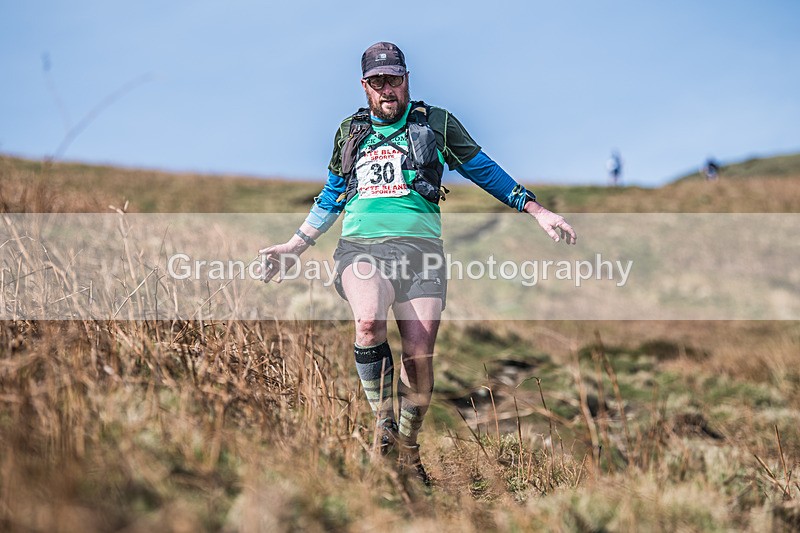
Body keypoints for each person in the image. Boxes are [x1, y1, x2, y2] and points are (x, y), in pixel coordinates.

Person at [259, 42, 576, 485]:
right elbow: (332, 193)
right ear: (365, 85)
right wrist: (295, 245)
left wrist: (536, 209)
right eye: (378, 82)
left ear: (407, 78)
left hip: (422, 254)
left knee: (418, 357)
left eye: (395, 79)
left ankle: (406, 451)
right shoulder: (349, 131)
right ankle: (384, 425)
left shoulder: (437, 124)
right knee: (368, 323)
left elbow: (483, 169)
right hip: (361, 248)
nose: (388, 89)